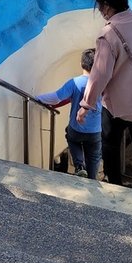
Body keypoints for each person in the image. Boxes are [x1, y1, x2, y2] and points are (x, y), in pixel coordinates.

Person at [76, 0, 132, 192]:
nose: (101, 11)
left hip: (118, 104)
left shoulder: (109, 34)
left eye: (100, 6)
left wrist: (86, 104)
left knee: (110, 143)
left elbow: (100, 73)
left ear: (106, 5)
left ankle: (115, 186)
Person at [36, 48, 102, 179]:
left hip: (76, 127)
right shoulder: (102, 83)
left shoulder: (74, 82)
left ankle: (79, 166)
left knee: (71, 138)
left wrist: (37, 98)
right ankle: (93, 180)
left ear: (81, 64)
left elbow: (56, 98)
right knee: (94, 157)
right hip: (95, 130)